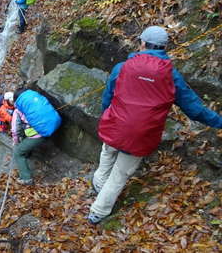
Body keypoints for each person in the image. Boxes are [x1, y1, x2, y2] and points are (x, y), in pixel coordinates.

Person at [87, 26, 222, 224]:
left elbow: (107, 99)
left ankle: (98, 184)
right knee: (120, 173)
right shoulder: (171, 76)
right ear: (164, 47)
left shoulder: (122, 67)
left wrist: (108, 117)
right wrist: (219, 122)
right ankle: (98, 211)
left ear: (142, 43)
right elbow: (195, 110)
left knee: (108, 151)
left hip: (115, 125)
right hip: (142, 135)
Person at [11, 88, 61, 185]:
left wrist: (16, 142)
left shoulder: (17, 111)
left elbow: (15, 130)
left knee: (18, 153)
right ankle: (28, 152)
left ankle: (26, 178)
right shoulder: (35, 101)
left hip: (37, 135)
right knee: (25, 139)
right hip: (51, 127)